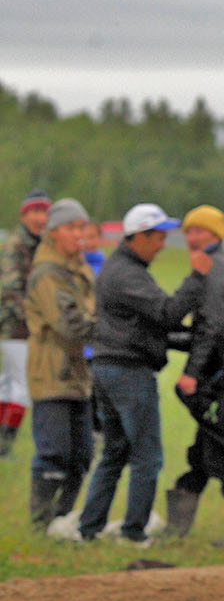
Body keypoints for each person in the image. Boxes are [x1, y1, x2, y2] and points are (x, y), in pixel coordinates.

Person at [78, 203, 210, 544]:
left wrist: (191, 339)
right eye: (159, 236)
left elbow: (150, 325)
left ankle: (89, 530)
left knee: (115, 453)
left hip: (108, 368)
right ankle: (133, 532)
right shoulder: (127, 274)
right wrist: (196, 279)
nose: (163, 244)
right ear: (139, 236)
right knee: (147, 457)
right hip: (127, 373)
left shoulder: (122, 268)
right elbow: (167, 314)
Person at [165, 205, 224, 544]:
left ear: (216, 235)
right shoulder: (209, 266)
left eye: (201, 231)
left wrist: (191, 373)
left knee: (216, 450)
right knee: (203, 451)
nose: (192, 237)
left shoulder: (215, 268)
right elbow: (201, 329)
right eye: (189, 231)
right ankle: (177, 529)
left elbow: (212, 327)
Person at [22, 198, 94, 530]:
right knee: (54, 453)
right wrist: (114, 329)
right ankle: (41, 523)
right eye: (72, 228)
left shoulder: (78, 266)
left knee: (81, 456)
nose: (79, 234)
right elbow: (71, 325)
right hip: (52, 374)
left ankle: (63, 518)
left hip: (78, 375)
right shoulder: (47, 273)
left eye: (82, 227)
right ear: (53, 234)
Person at [1, 188, 51, 457]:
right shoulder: (15, 244)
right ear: (24, 214)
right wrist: (36, 320)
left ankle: (2, 443)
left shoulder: (37, 242)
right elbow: (9, 290)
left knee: (9, 383)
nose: (40, 217)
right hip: (14, 327)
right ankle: (4, 445)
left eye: (44, 211)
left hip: (19, 327)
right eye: (35, 211)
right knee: (22, 386)